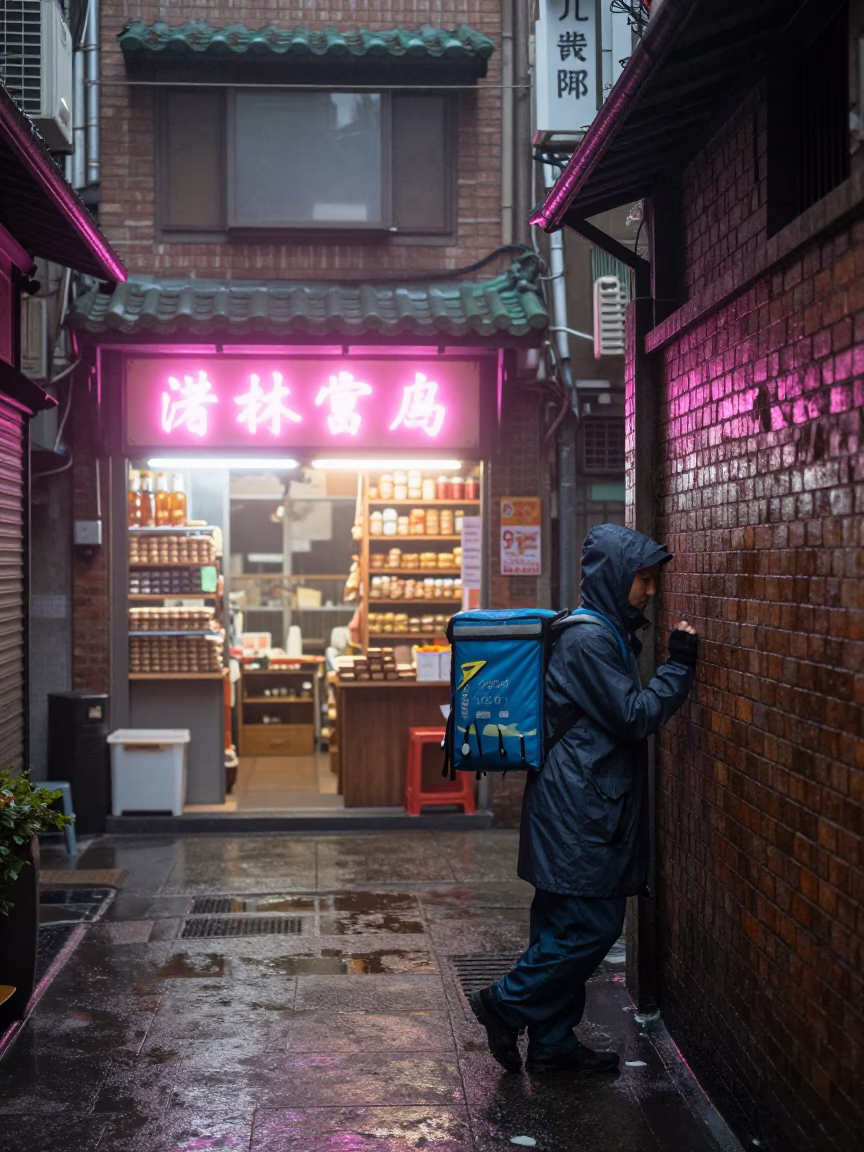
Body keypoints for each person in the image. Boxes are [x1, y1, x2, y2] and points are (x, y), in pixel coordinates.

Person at [468, 523, 699, 1075]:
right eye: (641, 580)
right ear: (615, 578)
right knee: (593, 927)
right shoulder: (589, 639)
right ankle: (503, 1003)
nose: (649, 591)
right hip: (579, 811)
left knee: (560, 928)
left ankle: (551, 1045)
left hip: (574, 803)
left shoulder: (598, 629)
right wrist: (679, 666)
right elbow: (634, 715)